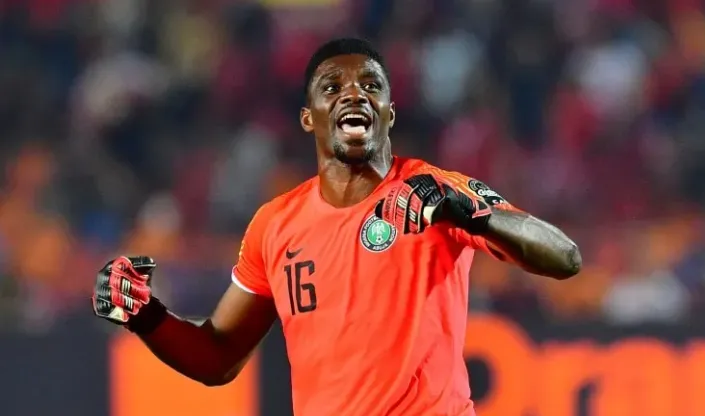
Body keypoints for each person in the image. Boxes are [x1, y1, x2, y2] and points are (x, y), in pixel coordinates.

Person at [92, 38, 581, 416]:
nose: (354, 93)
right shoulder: (275, 225)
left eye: (371, 86)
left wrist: (466, 211)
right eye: (332, 87)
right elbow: (218, 358)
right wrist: (145, 315)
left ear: (389, 112)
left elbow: (564, 257)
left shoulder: (434, 190)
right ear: (309, 118)